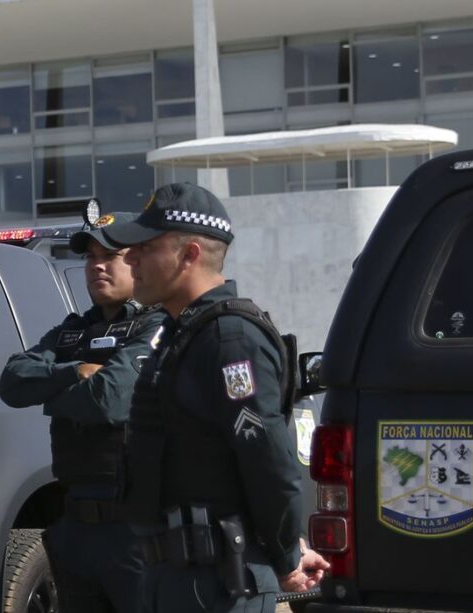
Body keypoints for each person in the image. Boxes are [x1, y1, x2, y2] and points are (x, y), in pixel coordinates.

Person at [101, 183, 329, 613]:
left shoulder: (231, 339)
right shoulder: (182, 333)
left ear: (188, 255)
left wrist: (286, 556)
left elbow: (267, 461)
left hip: (218, 584)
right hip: (172, 578)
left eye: (145, 248)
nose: (130, 260)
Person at [0, 212, 163, 613]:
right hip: (75, 523)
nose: (97, 266)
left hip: (133, 527)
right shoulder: (72, 332)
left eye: (111, 255)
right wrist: (74, 370)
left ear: (138, 260)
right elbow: (12, 383)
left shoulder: (157, 324)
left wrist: (51, 396)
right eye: (90, 258)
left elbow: (111, 399)